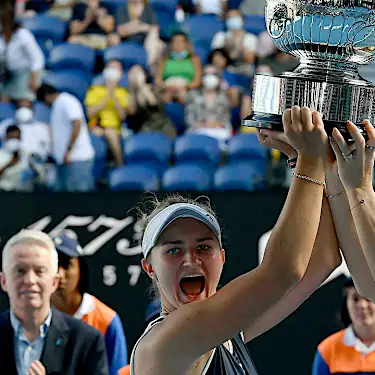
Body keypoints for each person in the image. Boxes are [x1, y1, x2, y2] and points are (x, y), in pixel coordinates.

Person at [130, 107, 342, 375]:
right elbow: (283, 272)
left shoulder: (226, 334)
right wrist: (309, 160)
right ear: (150, 268)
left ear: (222, 257)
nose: (190, 259)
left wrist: (305, 160)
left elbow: (324, 258)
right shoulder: (165, 342)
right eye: (174, 250)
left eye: (203, 247)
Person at [0, 229, 109, 375]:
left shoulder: (86, 342)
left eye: (39, 271)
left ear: (54, 282)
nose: (30, 280)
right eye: (20, 270)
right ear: (4, 281)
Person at [51, 233, 128, 375]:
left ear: (81, 270)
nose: (59, 274)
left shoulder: (106, 319)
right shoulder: (35, 317)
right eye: (53, 265)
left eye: (66, 264)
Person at [37, 83, 95, 192]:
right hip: (64, 160)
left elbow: (77, 123)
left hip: (77, 158)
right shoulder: (57, 106)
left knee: (81, 200)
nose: (45, 105)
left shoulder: (67, 101)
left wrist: (68, 151)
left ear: (46, 96)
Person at [312, 277, 375, 374]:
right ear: (346, 304)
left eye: (368, 298)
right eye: (355, 299)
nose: (362, 305)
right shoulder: (328, 350)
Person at [85, 59, 128, 167]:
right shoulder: (94, 90)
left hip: (115, 128)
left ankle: (119, 163)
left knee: (110, 132)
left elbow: (123, 116)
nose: (113, 71)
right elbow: (90, 113)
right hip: (95, 126)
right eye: (111, 68)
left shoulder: (123, 93)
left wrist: (113, 94)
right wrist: (107, 95)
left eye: (116, 69)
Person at [0, 0, 44, 101]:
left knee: (24, 101)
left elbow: (37, 59)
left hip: (26, 74)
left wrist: (34, 80)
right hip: (8, 75)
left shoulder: (22, 34)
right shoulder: (1, 37)